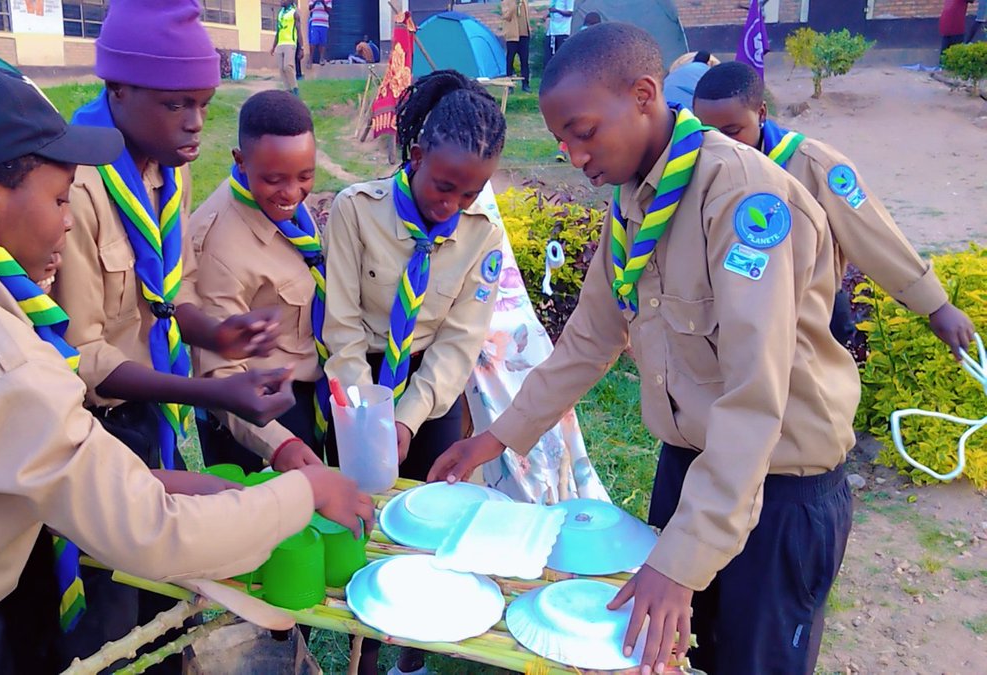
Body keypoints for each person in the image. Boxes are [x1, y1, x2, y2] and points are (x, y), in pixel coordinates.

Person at [0, 58, 374, 673]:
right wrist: (302, 491)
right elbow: (152, 533)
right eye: (60, 198)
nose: (67, 221)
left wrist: (163, 482)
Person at [430, 24, 859, 675]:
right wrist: (496, 437)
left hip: (776, 488)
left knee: (751, 662)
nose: (573, 155)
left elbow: (753, 399)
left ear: (643, 94)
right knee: (671, 656)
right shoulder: (635, 201)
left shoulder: (744, 198)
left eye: (582, 131)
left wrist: (681, 561)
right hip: (689, 470)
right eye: (560, 141)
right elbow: (590, 339)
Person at [51, 0, 297, 665]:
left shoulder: (167, 168)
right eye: (176, 105)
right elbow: (83, 355)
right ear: (118, 91)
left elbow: (167, 297)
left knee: (169, 597)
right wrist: (214, 394)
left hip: (150, 412)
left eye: (204, 105)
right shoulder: (75, 190)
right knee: (110, 610)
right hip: (89, 430)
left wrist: (222, 333)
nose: (194, 126)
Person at [323, 69, 507, 675]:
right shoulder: (357, 211)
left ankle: (414, 650)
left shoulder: (481, 237)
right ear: (417, 153)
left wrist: (404, 420)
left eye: (471, 193)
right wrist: (365, 415)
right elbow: (343, 327)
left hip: (431, 389)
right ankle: (365, 647)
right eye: (444, 186)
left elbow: (459, 343)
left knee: (428, 519)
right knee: (363, 514)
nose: (453, 205)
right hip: (360, 379)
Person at [693, 61, 976, 357]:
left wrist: (935, 305)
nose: (720, 144)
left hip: (811, 321)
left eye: (733, 131)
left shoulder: (815, 166)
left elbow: (870, 232)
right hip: (736, 325)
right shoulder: (696, 169)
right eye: (706, 132)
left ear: (761, 113)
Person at [190, 90, 328, 474]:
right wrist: (278, 445)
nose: (291, 193)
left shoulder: (286, 210)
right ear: (241, 161)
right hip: (256, 417)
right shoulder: (220, 246)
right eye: (274, 179)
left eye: (305, 176)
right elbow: (217, 371)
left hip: (306, 392)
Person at [273, 0, 304, 96]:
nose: (281, 1)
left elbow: (299, 31)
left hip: (290, 43)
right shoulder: (280, 13)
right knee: (281, 69)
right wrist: (273, 46)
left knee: (288, 67)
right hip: (280, 44)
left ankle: (295, 89)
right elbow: (278, 31)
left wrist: (301, 48)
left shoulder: (294, 13)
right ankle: (288, 90)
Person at [502, 0, 533, 92]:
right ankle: (509, 85)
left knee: (524, 61)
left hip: (524, 35)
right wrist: (514, 5)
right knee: (510, 60)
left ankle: (525, 84)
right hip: (512, 36)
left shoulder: (524, 2)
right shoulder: (506, 2)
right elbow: (506, 16)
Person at [309, 0, 332, 65]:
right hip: (315, 23)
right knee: (313, 41)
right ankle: (310, 59)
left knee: (322, 42)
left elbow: (329, 10)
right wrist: (315, 2)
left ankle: (321, 59)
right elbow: (310, 8)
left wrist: (323, 2)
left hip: (324, 23)